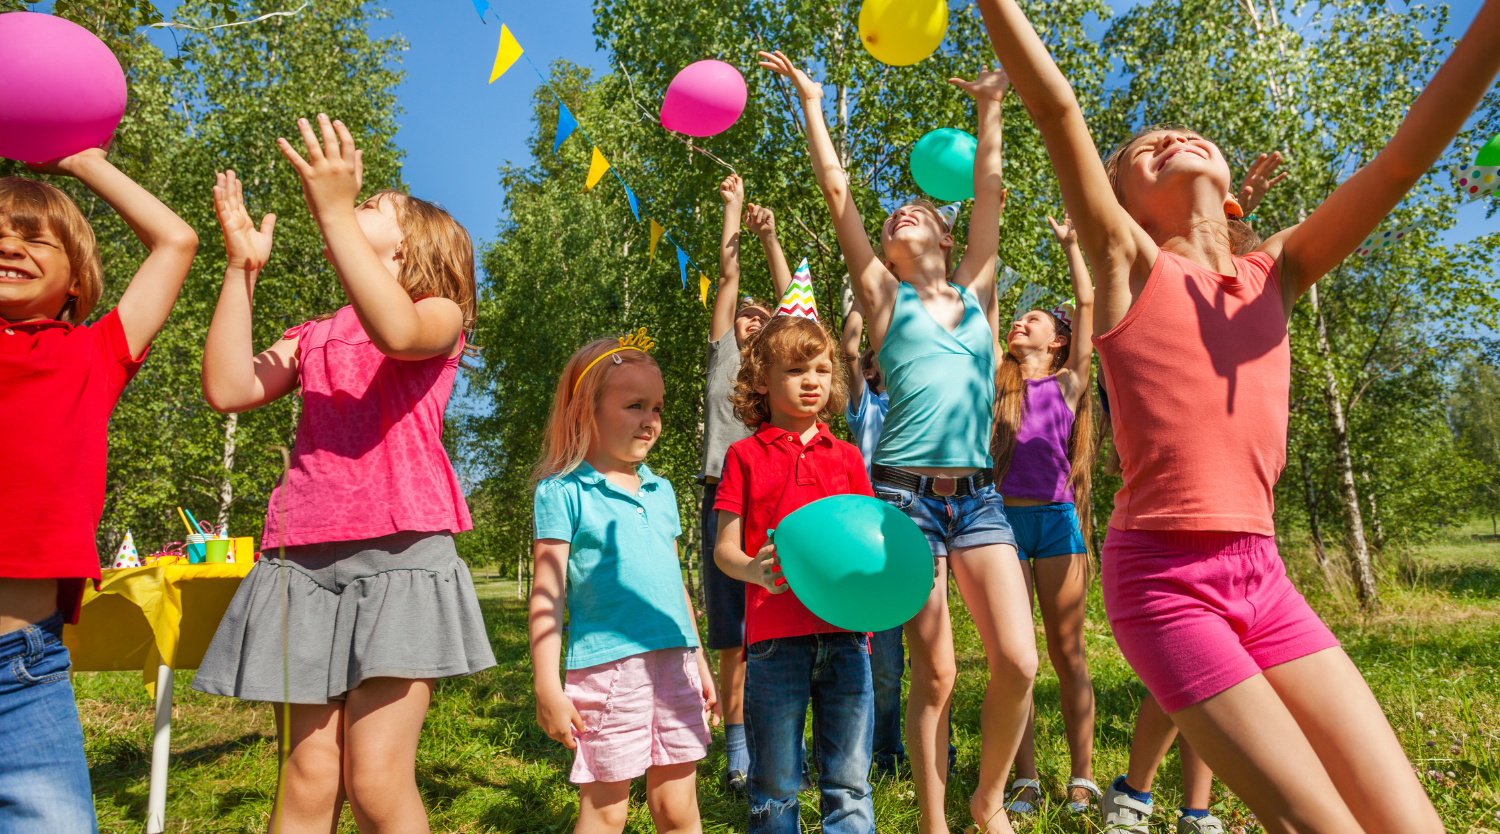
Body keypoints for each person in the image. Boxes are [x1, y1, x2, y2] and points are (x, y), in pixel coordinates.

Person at [976, 1, 1500, 832]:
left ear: (1228, 189)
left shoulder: (1277, 269)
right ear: (1122, 206)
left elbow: (1401, 162)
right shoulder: (1128, 265)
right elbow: (1056, 107)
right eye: (1143, 150)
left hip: (1265, 575)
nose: (1170, 139)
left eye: (1187, 135)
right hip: (1164, 582)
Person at [194, 116, 495, 834]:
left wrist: (332, 212)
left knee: (376, 779)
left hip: (402, 560)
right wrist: (241, 270)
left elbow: (396, 333)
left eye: (371, 205)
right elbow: (229, 387)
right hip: (300, 565)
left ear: (413, 247)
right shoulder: (311, 335)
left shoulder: (438, 314)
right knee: (307, 775)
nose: (354, 204)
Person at [760, 50, 1030, 834]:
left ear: (945, 231)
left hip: (979, 501)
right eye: (889, 221)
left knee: (1019, 662)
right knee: (935, 675)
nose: (899, 216)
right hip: (903, 502)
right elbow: (836, 190)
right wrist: (813, 101)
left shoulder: (978, 289)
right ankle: (936, 822)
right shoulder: (882, 298)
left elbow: (990, 191)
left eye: (915, 212)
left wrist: (990, 107)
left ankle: (988, 799)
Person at [0, 150, 198, 834]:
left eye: (34, 238)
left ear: (78, 279)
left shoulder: (91, 355)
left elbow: (175, 241)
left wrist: (83, 162)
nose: (9, 245)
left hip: (23, 672)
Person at [1101, 152, 1287, 834]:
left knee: (1212, 682)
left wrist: (1229, 208)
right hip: (1164, 536)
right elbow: (1164, 249)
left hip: (1246, 538)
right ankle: (1136, 791)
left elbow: (1214, 256)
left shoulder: (1247, 282)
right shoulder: (1134, 270)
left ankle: (1195, 807)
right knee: (1188, 684)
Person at [530, 333, 719, 834]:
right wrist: (547, 684)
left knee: (678, 809)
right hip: (608, 670)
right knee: (606, 812)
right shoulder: (562, 491)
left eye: (657, 408)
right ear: (585, 412)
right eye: (635, 405)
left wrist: (699, 660)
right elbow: (547, 592)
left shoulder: (661, 490)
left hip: (676, 663)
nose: (650, 420)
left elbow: (673, 584)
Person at [714, 313, 875, 834]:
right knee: (776, 781)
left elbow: (869, 541)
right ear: (762, 379)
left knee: (849, 781)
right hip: (775, 638)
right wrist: (752, 569)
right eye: (796, 369)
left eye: (823, 370)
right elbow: (725, 550)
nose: (812, 381)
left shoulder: (847, 457)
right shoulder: (743, 455)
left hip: (847, 634)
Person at [992, 212, 1099, 817]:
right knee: (1018, 658)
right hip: (1001, 527)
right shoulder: (996, 381)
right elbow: (985, 303)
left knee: (1068, 653)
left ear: (1057, 340)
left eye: (1031, 319)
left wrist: (1072, 248)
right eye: (1016, 318)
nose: (1018, 322)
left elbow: (1086, 303)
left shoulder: (1068, 384)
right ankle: (1026, 779)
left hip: (1057, 523)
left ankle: (1082, 778)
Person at [701, 173, 795, 791]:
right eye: (745, 316)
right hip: (722, 497)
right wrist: (733, 209)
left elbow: (795, 303)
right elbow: (728, 280)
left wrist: (771, 238)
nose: (751, 320)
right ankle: (738, 749)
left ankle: (782, 741)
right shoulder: (723, 358)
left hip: (779, 496)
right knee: (733, 633)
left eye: (764, 318)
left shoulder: (783, 367)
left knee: (784, 622)